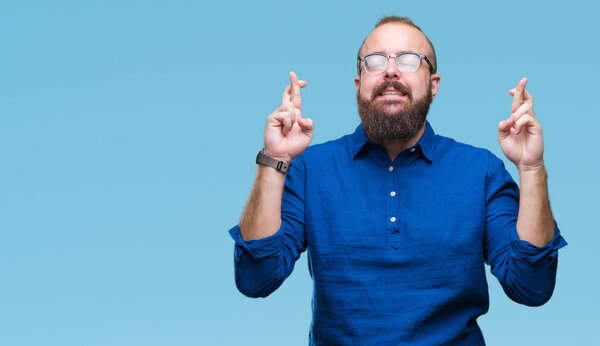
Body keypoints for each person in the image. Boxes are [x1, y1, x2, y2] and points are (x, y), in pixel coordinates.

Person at [228, 16, 567, 345]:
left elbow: (531, 286)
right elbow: (256, 279)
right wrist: (275, 159)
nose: (390, 70)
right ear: (359, 84)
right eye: (374, 61)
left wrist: (531, 167)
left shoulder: (481, 171)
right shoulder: (310, 169)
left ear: (433, 84)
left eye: (408, 59)